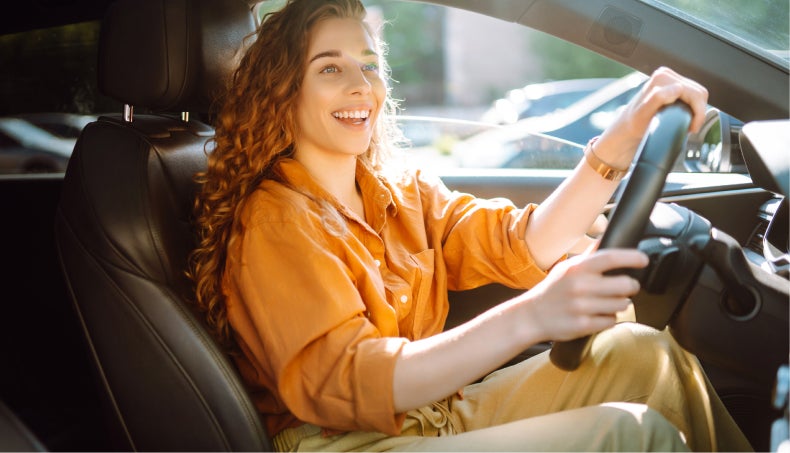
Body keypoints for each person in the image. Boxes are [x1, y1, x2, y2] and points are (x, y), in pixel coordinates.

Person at [188, 0, 752, 451]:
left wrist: (619, 141)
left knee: (645, 352)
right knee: (632, 434)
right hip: (346, 443)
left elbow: (523, 242)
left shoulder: (400, 192)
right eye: (330, 68)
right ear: (283, 93)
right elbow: (352, 381)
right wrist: (533, 314)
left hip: (435, 417)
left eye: (368, 64)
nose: (362, 85)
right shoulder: (275, 221)